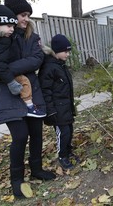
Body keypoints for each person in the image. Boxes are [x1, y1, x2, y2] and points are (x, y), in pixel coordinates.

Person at [0, 0, 56, 198]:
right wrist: (4, 71)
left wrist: (5, 69)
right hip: (9, 93)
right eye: (23, 15)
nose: (26, 19)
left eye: (28, 15)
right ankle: (17, 181)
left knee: (36, 134)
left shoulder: (33, 37)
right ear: (12, 15)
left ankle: (37, 170)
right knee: (20, 136)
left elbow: (36, 60)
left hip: (32, 92)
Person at [38, 34, 79, 170]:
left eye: (69, 51)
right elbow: (46, 91)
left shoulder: (61, 66)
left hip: (66, 107)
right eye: (65, 52)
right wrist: (51, 111)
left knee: (70, 130)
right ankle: (62, 156)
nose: (68, 54)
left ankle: (68, 151)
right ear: (56, 51)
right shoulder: (49, 67)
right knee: (63, 133)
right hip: (57, 109)